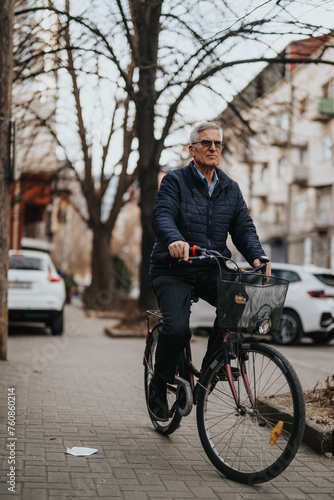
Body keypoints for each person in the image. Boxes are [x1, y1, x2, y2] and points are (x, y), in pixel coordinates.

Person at [148, 121, 271, 421]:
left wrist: (258, 256)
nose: (213, 148)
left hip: (210, 268)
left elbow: (243, 227)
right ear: (192, 149)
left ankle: (211, 369)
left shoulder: (230, 188)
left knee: (239, 307)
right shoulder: (175, 182)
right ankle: (159, 384)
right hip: (173, 268)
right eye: (206, 143)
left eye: (218, 143)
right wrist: (174, 240)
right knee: (177, 329)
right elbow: (162, 214)